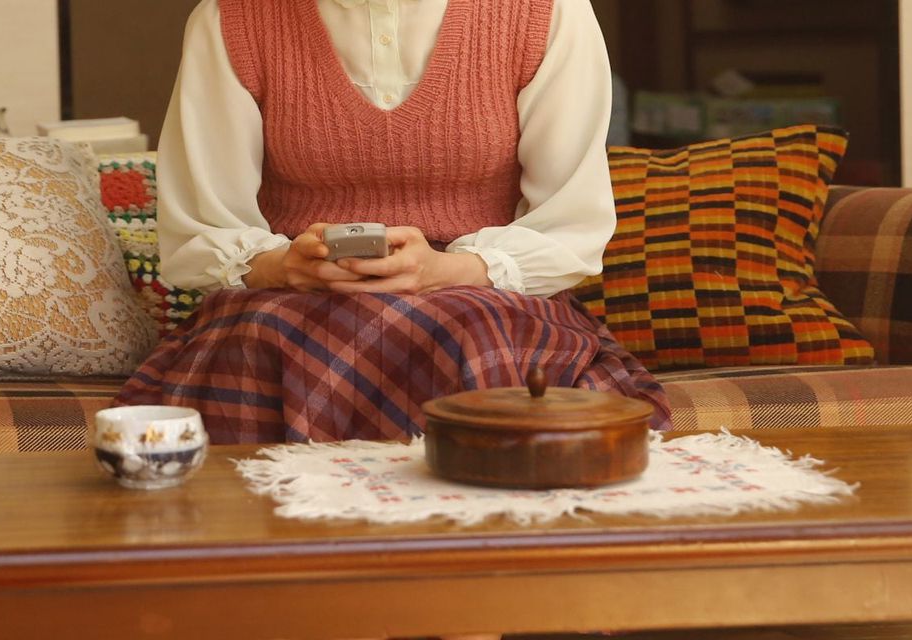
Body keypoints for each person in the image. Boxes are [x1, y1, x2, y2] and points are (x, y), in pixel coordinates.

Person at [116, 0, 669, 445]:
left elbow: (570, 223)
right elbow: (202, 226)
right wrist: (283, 265)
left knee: (468, 330)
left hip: (486, 297)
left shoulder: (546, 12)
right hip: (292, 299)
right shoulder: (231, 19)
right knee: (270, 334)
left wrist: (447, 270)